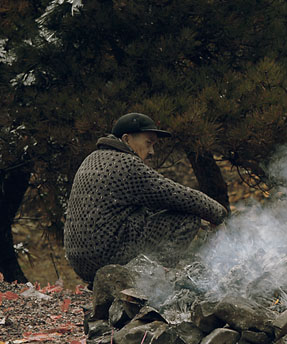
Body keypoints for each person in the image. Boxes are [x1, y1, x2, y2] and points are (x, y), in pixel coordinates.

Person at [64, 112, 228, 283]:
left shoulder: (91, 159)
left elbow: (146, 206)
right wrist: (218, 214)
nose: (152, 152)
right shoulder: (126, 163)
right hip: (106, 256)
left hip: (81, 262)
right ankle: (152, 281)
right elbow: (177, 195)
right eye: (148, 143)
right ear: (127, 139)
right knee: (188, 219)